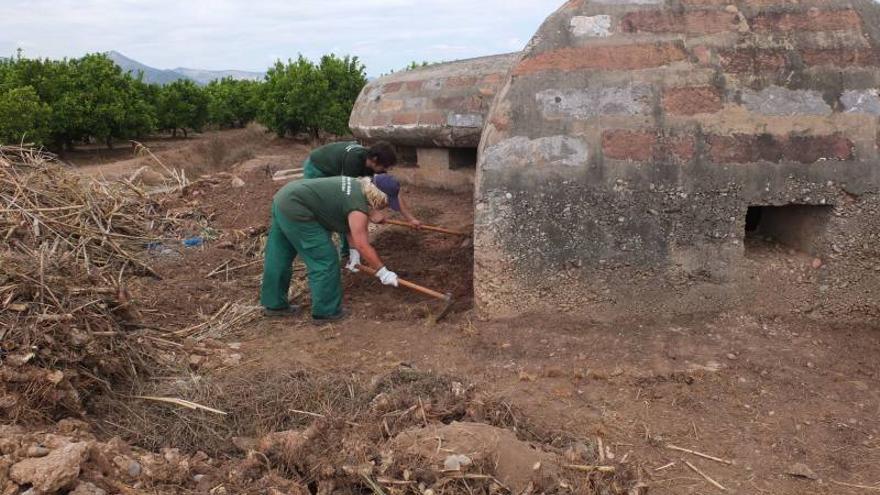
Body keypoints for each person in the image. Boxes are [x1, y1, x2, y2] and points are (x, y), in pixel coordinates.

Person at [260, 174, 404, 323]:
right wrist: (383, 272)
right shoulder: (358, 207)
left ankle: (274, 304)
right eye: (386, 202)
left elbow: (349, 225)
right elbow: (362, 244)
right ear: (378, 196)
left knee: (280, 253)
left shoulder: (357, 186)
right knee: (325, 258)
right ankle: (326, 312)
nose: (385, 207)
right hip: (298, 207)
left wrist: (354, 255)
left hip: (286, 196)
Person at [302, 140, 422, 229]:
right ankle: (344, 248)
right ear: (375, 159)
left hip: (337, 169)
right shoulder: (353, 162)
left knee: (352, 209)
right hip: (318, 167)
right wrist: (372, 213)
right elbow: (347, 196)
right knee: (332, 208)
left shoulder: (375, 166)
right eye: (385, 166)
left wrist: (410, 219)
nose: (385, 169)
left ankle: (351, 248)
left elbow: (393, 191)